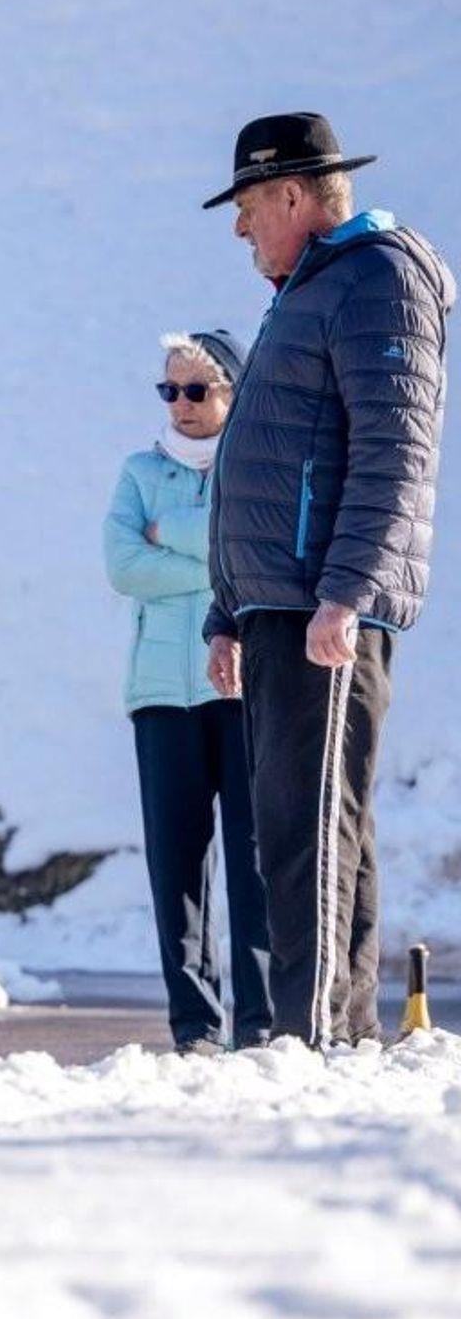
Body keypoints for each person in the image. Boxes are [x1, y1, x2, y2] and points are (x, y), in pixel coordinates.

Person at [201, 113, 452, 1047]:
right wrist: (227, 608)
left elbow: (395, 453)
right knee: (307, 821)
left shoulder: (377, 278)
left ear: (293, 195)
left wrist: (347, 593)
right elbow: (271, 463)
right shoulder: (312, 287)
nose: (239, 227)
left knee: (306, 828)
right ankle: (333, 1033)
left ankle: (305, 1038)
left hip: (322, 602)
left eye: (247, 205)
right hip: (281, 601)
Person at [104, 329, 270, 1054]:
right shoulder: (138, 471)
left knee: (253, 858)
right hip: (160, 694)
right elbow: (124, 568)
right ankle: (196, 1026)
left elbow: (255, 551)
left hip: (242, 689)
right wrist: (213, 555)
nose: (181, 403)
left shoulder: (254, 466)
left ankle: (260, 1022)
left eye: (197, 389)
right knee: (176, 866)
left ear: (232, 391)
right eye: (169, 390)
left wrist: (167, 531)